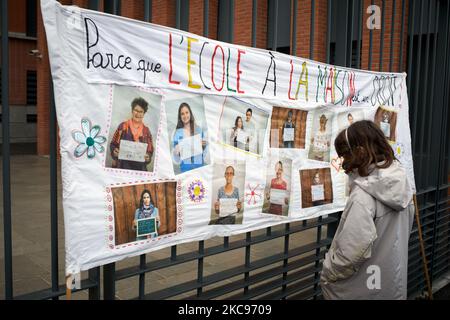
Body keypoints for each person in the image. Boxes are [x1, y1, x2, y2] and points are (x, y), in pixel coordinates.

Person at [320, 120, 414, 300]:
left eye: (344, 156)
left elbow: (350, 254)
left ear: (359, 153)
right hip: (391, 283)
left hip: (362, 289)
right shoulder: (403, 183)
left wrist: (328, 271)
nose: (343, 163)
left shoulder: (363, 196)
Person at [110, 97, 154, 171]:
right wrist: (114, 151)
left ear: (144, 113)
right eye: (136, 110)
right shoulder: (123, 126)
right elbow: (113, 144)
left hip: (140, 170)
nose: (138, 114)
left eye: (141, 111)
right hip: (122, 167)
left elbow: (150, 151)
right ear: (132, 110)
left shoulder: (146, 131)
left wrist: (148, 157)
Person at [172, 102, 208, 173]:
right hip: (186, 169)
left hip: (200, 167)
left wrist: (204, 145)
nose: (185, 115)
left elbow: (204, 151)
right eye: (182, 114)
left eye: (186, 112)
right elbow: (176, 156)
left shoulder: (198, 129)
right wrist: (176, 151)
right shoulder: (177, 133)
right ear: (180, 116)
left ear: (190, 113)